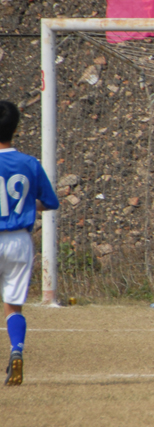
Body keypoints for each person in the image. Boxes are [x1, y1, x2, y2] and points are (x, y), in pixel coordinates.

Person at [0, 100, 60, 386]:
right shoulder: (30, 163)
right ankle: (17, 349)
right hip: (20, 241)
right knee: (13, 306)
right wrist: (23, 206)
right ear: (15, 128)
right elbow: (49, 202)